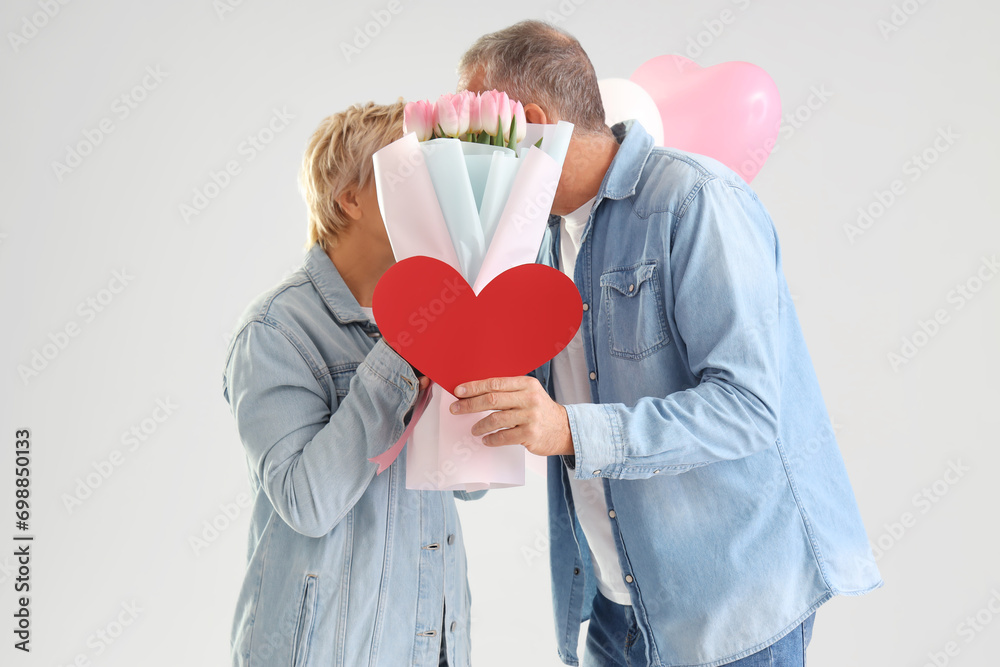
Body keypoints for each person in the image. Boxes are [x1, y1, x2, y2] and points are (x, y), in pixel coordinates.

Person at [449, 21, 883, 667]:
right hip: (609, 612)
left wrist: (570, 428)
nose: (465, 157)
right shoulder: (533, 243)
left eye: (477, 134)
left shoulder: (697, 201)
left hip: (729, 613)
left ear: (533, 123)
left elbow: (751, 407)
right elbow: (524, 415)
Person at [223, 101, 477, 667]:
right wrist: (408, 344)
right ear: (352, 198)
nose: (437, 197)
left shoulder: (440, 311)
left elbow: (469, 485)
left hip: (432, 643)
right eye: (415, 176)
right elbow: (308, 503)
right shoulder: (275, 331)